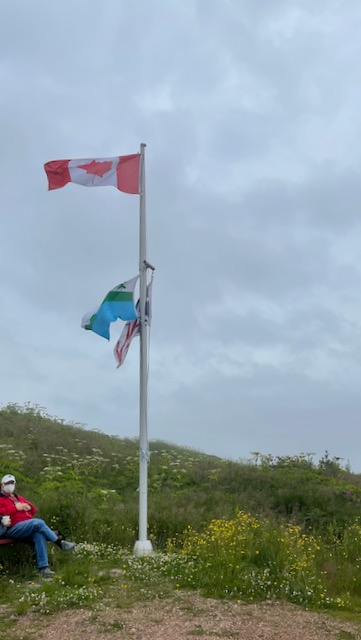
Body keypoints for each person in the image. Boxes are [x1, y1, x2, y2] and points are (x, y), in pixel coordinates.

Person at [0, 473, 76, 577]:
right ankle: (60, 543)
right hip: (12, 528)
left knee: (39, 534)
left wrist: (27, 507)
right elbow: (1, 512)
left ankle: (43, 568)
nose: (10, 485)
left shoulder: (18, 497)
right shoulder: (1, 499)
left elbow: (33, 509)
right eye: (8, 483)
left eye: (12, 483)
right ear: (2, 485)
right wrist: (15, 508)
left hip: (26, 525)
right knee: (38, 523)